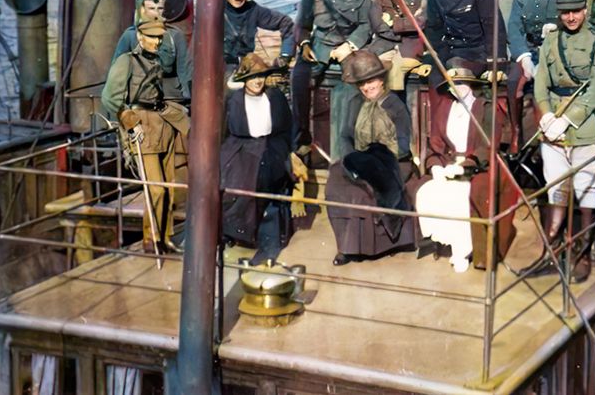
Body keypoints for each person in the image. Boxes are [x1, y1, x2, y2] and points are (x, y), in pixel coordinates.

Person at [524, 0, 595, 284]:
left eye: (576, 11)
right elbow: (541, 82)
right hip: (553, 127)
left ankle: (583, 254)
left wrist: (568, 120)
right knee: (556, 188)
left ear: (585, 10)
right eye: (565, 12)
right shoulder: (551, 41)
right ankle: (551, 253)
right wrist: (546, 114)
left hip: (585, 127)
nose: (571, 17)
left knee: (586, 189)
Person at [413, 64, 516, 273]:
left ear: (471, 84)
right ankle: (446, 243)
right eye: (452, 84)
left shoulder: (487, 108)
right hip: (448, 164)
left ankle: (464, 251)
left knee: (463, 196)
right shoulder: (445, 108)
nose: (457, 88)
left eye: (461, 83)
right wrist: (436, 166)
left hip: (479, 166)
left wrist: (465, 167)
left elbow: (489, 145)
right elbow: (435, 143)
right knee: (426, 191)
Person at [101, 19, 190, 254]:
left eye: (159, 38)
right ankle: (151, 239)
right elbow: (109, 97)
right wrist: (130, 123)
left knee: (168, 187)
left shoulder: (157, 61)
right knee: (155, 189)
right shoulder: (126, 61)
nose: (157, 42)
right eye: (152, 37)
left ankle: (165, 238)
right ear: (140, 37)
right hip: (142, 129)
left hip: (163, 127)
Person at [325, 50, 415, 266]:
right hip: (359, 160)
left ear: (381, 79)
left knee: (366, 191)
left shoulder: (395, 105)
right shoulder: (355, 103)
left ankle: (381, 245)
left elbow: (403, 144)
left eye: (371, 81)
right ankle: (346, 247)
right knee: (336, 185)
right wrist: (352, 160)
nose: (367, 87)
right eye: (362, 83)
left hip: (391, 162)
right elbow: (345, 136)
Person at [220, 54, 304, 264]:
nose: (257, 81)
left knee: (262, 178)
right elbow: (224, 132)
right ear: (244, 80)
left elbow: (288, 126)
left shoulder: (275, 97)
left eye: (261, 76)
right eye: (252, 77)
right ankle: (234, 231)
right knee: (233, 181)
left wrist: (291, 151)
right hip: (240, 146)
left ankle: (265, 238)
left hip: (271, 145)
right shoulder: (233, 100)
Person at [291, 0, 372, 155]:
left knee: (353, 84)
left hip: (348, 45)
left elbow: (366, 24)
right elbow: (302, 24)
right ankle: (302, 137)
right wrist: (305, 44)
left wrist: (350, 45)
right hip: (320, 44)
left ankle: (348, 143)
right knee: (299, 78)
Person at [424, 0, 507, 111]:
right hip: (449, 49)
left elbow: (493, 26)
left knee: (457, 73)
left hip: (476, 51)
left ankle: (468, 116)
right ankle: (439, 123)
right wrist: (430, 54)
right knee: (433, 79)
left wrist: (496, 65)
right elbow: (434, 25)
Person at [506, 0, 566, 151]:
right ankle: (516, 133)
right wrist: (523, 57)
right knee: (513, 81)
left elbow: (574, 23)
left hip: (554, 53)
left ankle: (546, 136)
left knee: (547, 85)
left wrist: (558, 28)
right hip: (529, 50)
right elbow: (514, 28)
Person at [111, 0, 192, 104]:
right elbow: (117, 71)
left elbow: (184, 71)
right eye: (151, 8)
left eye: (160, 8)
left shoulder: (175, 36)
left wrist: (187, 99)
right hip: (138, 97)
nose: (156, 13)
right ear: (143, 9)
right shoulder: (130, 36)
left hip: (169, 98)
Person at [365, 0, 427, 96]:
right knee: (366, 68)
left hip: (411, 46)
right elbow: (377, 23)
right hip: (384, 44)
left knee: (396, 72)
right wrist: (403, 27)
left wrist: (393, 22)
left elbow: (421, 22)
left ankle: (395, 107)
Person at [223, 0, 295, 77]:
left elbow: (286, 22)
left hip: (244, 65)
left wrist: (285, 55)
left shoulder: (253, 10)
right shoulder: (214, 9)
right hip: (219, 65)